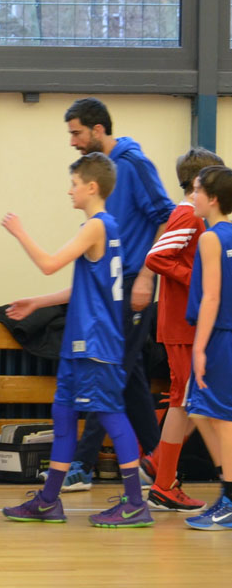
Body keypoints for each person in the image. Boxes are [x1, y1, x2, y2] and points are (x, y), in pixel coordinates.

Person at [1, 152, 154, 528]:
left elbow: (49, 263)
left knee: (112, 415)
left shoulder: (97, 226)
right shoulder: (104, 227)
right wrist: (38, 301)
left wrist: (20, 231)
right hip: (79, 342)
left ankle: (135, 502)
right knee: (64, 414)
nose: (69, 191)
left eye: (74, 184)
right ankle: (48, 500)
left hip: (96, 342)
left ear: (92, 187)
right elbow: (84, 287)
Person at [61, 97, 171, 491]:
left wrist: (146, 276)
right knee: (130, 376)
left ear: (98, 129)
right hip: (110, 289)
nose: (72, 141)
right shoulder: (103, 174)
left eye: (77, 133)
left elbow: (167, 218)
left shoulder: (134, 164)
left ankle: (81, 465)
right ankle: (162, 464)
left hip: (133, 284)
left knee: (109, 373)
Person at [143, 148, 223, 512]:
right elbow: (157, 257)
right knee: (185, 402)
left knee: (188, 401)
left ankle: (162, 473)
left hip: (187, 325)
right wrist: (200, 280)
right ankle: (163, 480)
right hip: (182, 325)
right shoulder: (189, 214)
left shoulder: (193, 216)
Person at [183, 165, 232, 530]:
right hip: (223, 336)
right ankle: (226, 486)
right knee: (199, 411)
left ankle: (229, 500)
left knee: (222, 420)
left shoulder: (211, 238)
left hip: (219, 337)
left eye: (197, 190)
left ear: (213, 198)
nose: (192, 196)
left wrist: (199, 348)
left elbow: (212, 297)